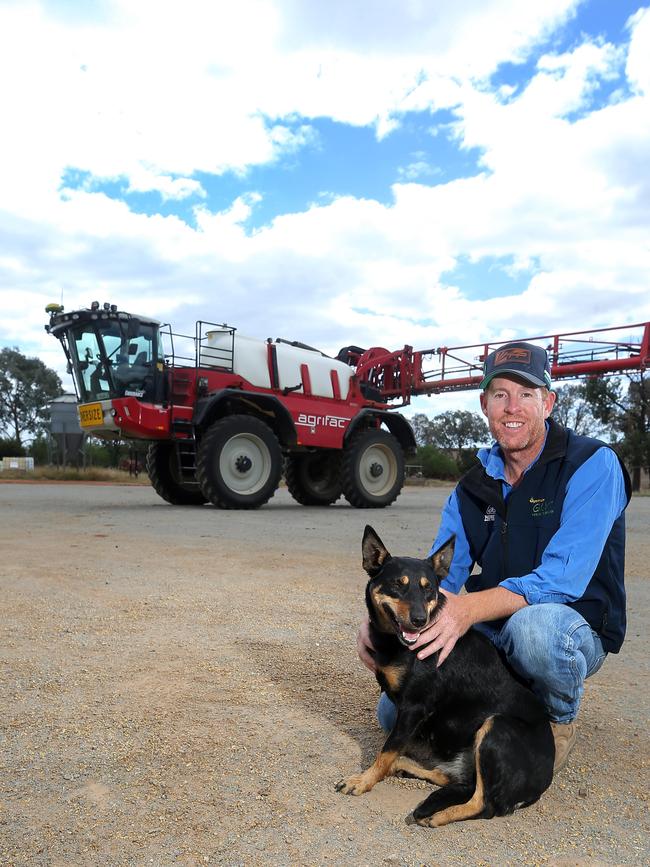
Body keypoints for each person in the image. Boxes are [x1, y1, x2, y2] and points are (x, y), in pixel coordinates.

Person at [357, 341, 631, 774]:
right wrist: (383, 623)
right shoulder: (470, 488)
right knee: (394, 714)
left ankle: (555, 722)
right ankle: (502, 722)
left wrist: (466, 611)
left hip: (569, 628)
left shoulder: (592, 465)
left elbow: (562, 579)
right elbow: (439, 580)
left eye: (527, 394)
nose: (512, 407)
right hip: (494, 630)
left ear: (549, 403)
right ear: (484, 404)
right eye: (500, 394)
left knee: (535, 632)